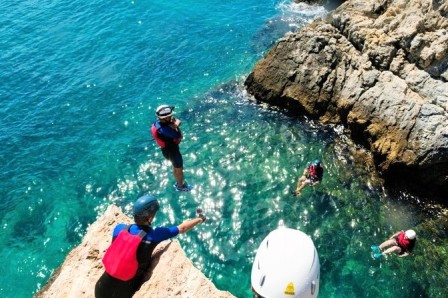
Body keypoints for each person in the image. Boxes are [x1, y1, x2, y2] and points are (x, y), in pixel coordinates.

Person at [95, 195, 206, 298]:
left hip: (100, 288)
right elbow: (182, 228)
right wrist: (200, 219)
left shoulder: (119, 228)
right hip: (123, 292)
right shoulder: (153, 235)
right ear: (149, 218)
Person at [151, 105, 192, 191]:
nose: (171, 117)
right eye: (169, 116)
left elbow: (175, 122)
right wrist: (176, 125)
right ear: (164, 118)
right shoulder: (164, 129)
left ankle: (178, 182)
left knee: (175, 166)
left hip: (167, 150)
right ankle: (180, 187)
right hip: (172, 151)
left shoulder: (158, 123)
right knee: (179, 168)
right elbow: (179, 136)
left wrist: (174, 124)